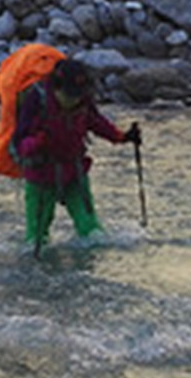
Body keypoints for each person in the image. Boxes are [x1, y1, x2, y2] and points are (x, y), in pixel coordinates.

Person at [10, 59, 140, 252]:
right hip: (41, 176)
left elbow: (97, 123)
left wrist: (123, 137)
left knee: (91, 231)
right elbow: (18, 144)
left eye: (78, 95)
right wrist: (37, 142)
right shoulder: (37, 101)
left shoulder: (83, 100)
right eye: (69, 95)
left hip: (74, 172)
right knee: (36, 240)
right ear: (56, 87)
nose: (74, 100)